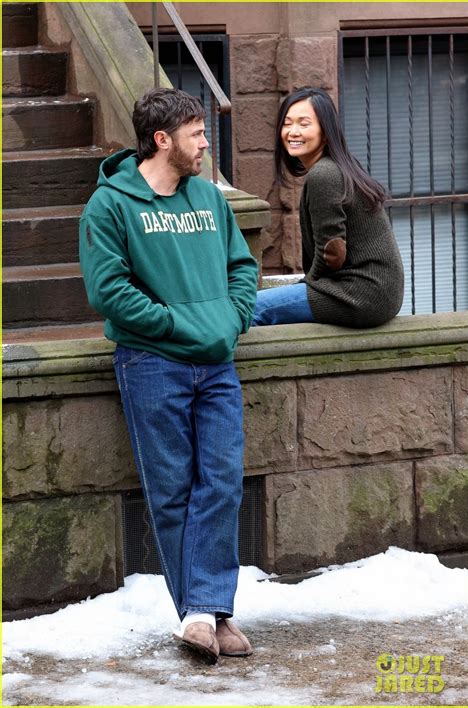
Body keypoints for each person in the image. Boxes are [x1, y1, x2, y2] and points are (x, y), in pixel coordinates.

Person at [79, 88, 258, 664]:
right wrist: (176, 325)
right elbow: (108, 292)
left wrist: (230, 319)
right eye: (197, 133)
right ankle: (207, 614)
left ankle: (203, 613)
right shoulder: (109, 207)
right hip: (151, 362)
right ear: (163, 140)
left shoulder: (210, 198)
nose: (207, 142)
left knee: (224, 481)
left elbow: (242, 267)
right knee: (173, 490)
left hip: (217, 363)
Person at [252, 87, 404, 328]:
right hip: (377, 293)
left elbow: (333, 253)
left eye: (304, 124)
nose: (293, 132)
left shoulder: (324, 174)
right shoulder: (337, 166)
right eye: (287, 123)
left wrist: (306, 284)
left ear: (325, 131)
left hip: (360, 294)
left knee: (248, 309)